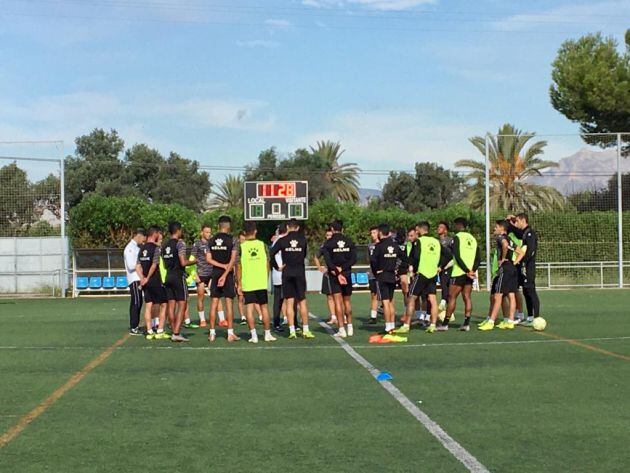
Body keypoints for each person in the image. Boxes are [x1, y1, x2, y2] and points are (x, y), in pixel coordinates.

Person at [269, 219, 315, 340]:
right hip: (299, 272)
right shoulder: (303, 240)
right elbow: (304, 254)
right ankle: (305, 330)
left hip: (287, 272)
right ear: (298, 228)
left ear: (288, 227)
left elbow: (271, 253)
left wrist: (277, 266)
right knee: (302, 301)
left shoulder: (282, 240)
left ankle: (292, 331)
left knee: (289, 302)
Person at [236, 221, 276, 343]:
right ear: (255, 231)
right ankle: (267, 334)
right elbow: (267, 264)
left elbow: (238, 267)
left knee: (249, 309)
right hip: (261, 282)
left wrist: (239, 283)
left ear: (244, 232)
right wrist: (266, 278)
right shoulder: (263, 245)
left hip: (248, 282)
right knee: (264, 307)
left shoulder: (241, 247)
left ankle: (254, 336)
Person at [439, 217, 480, 332]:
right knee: (467, 297)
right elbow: (478, 258)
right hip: (469, 273)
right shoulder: (472, 238)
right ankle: (466, 324)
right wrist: (472, 270)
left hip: (459, 272)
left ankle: (445, 324)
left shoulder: (457, 237)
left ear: (459, 225)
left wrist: (466, 270)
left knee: (452, 297)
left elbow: (456, 255)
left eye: (455, 224)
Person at [400, 222, 441, 334]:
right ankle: (432, 325)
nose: (416, 231)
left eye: (417, 229)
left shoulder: (419, 242)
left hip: (421, 273)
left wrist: (413, 267)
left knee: (411, 297)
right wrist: (439, 266)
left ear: (420, 229)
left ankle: (406, 325)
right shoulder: (436, 241)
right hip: (432, 274)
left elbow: (415, 257)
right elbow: (446, 255)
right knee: (432, 299)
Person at [479, 220, 518, 331]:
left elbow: (505, 245)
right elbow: (521, 252)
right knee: (510, 295)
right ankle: (509, 321)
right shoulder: (510, 239)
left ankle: (491, 322)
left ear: (502, 228)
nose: (494, 229)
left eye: (496, 227)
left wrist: (503, 259)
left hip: (505, 269)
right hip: (512, 268)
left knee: (498, 296)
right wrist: (514, 262)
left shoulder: (500, 237)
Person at [321, 220, 357, 338]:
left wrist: (337, 271)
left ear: (332, 229)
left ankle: (342, 329)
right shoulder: (349, 241)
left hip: (335, 276)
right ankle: (350, 327)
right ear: (342, 229)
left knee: (337, 302)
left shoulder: (328, 243)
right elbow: (353, 259)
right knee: (347, 301)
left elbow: (328, 261)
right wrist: (343, 269)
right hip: (346, 274)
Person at [206, 215, 239, 342]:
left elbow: (209, 259)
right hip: (227, 275)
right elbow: (233, 260)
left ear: (218, 226)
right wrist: (225, 273)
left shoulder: (211, 240)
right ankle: (230, 333)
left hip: (215, 274)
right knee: (229, 304)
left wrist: (220, 267)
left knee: (214, 303)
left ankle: (212, 333)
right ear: (229, 226)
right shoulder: (233, 240)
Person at [162, 222, 196, 342]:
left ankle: (173, 331)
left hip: (168, 275)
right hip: (178, 276)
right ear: (178, 231)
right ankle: (176, 333)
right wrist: (195, 261)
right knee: (183, 304)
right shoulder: (180, 244)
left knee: (171, 305)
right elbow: (183, 262)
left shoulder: (164, 245)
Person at [136, 227, 170, 340]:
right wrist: (148, 277)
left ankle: (150, 331)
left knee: (148, 305)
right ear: (154, 234)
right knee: (164, 304)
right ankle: (160, 330)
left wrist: (143, 278)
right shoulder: (156, 249)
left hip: (146, 282)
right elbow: (154, 265)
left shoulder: (141, 249)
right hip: (155, 280)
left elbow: (137, 266)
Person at [370, 223, 404, 334]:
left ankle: (388, 326)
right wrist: (397, 269)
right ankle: (392, 325)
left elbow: (373, 261)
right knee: (390, 302)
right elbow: (405, 258)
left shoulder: (379, 246)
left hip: (382, 276)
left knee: (385, 302)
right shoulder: (395, 246)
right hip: (392, 276)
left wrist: (376, 272)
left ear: (380, 233)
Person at [190, 224, 223, 329]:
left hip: (212, 273)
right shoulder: (197, 244)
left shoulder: (213, 243)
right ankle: (202, 319)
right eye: (206, 232)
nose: (209, 234)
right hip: (201, 274)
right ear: (202, 233)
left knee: (216, 296)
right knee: (201, 297)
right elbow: (191, 259)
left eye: (210, 232)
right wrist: (194, 274)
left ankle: (222, 319)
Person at [512, 213, 541, 326]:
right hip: (524, 267)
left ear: (523, 220)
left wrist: (523, 262)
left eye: (517, 221)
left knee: (531, 291)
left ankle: (537, 317)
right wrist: (510, 223)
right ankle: (530, 317)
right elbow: (516, 232)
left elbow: (530, 251)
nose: (516, 223)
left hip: (528, 268)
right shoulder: (524, 233)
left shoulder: (530, 233)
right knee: (525, 291)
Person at [124, 228, 146, 335]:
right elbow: (131, 265)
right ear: (139, 236)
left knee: (139, 301)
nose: (143, 242)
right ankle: (133, 326)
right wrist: (141, 265)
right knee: (136, 302)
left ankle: (135, 325)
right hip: (134, 279)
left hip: (138, 278)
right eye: (143, 239)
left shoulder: (136, 247)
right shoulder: (130, 248)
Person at [313, 227, 336, 326]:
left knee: (340, 296)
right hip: (328, 274)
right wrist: (320, 268)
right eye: (327, 235)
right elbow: (316, 257)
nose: (329, 237)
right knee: (330, 296)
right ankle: (333, 316)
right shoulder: (324, 246)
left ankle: (342, 316)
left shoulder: (338, 245)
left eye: (331, 235)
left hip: (338, 273)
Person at [271, 223, 288, 332]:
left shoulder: (275, 241)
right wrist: (280, 266)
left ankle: (276, 323)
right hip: (286, 273)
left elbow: (271, 256)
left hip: (277, 274)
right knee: (291, 299)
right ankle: (294, 324)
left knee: (278, 300)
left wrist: (276, 267)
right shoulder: (285, 240)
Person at [437, 221, 454, 316]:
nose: (439, 228)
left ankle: (443, 302)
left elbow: (452, 253)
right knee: (445, 285)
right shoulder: (437, 241)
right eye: (438, 227)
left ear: (445, 231)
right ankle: (449, 313)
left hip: (448, 266)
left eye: (441, 227)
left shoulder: (449, 240)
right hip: (440, 267)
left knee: (445, 284)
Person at [367, 225, 380, 325]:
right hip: (372, 274)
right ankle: (373, 316)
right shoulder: (370, 246)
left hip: (381, 274)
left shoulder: (383, 245)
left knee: (386, 296)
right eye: (371, 233)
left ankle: (390, 317)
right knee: (373, 295)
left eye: (374, 233)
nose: (372, 235)